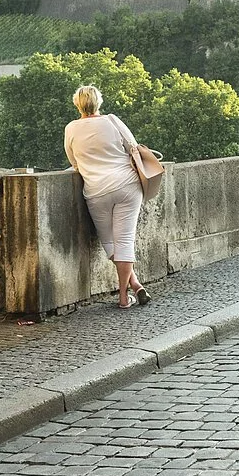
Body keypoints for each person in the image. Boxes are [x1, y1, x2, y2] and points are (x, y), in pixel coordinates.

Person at [64, 85, 153, 308]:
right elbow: (133, 147)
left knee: (109, 243)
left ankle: (131, 289)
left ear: (77, 104)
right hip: (127, 185)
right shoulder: (112, 120)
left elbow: (73, 162)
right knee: (124, 241)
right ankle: (129, 292)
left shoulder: (71, 128)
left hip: (96, 191)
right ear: (99, 102)